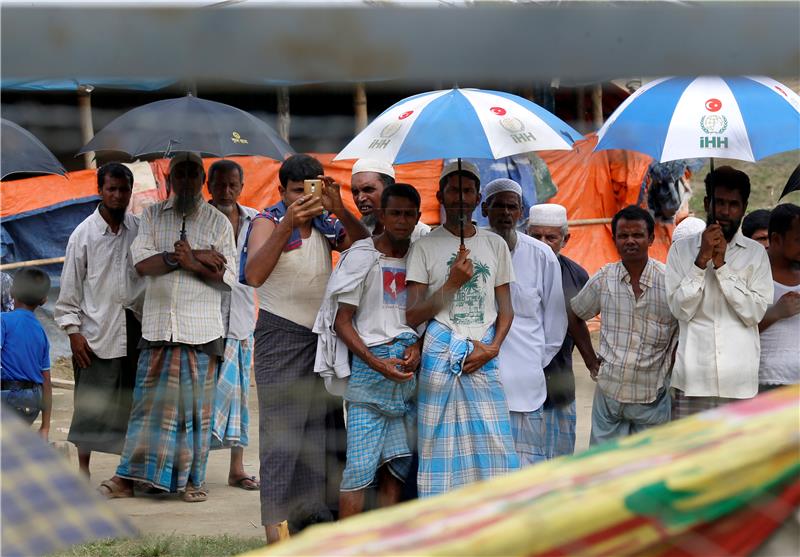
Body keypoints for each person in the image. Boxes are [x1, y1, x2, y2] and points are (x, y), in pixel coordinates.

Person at [243, 154, 369, 543]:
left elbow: (366, 247)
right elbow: (254, 275)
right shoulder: (267, 221)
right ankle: (274, 536)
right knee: (281, 440)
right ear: (282, 191)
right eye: (298, 191)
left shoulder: (326, 222)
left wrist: (340, 208)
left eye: (312, 189)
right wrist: (288, 224)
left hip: (321, 338)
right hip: (281, 337)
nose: (305, 198)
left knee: (323, 434)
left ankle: (314, 528)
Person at [99, 152, 237, 503]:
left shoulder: (218, 223)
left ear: (202, 180)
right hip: (158, 328)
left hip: (201, 331)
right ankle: (130, 477)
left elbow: (228, 278)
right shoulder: (150, 215)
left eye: (194, 174)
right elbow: (142, 263)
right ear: (169, 179)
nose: (187, 180)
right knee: (147, 409)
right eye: (180, 174)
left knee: (195, 413)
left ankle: (193, 480)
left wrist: (195, 261)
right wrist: (183, 258)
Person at [406, 160, 519, 497]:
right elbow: (412, 315)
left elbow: (506, 309)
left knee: (495, 444)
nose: (460, 197)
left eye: (467, 190)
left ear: (477, 196)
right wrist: (452, 283)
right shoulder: (424, 247)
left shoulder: (495, 245)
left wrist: (493, 347)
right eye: (453, 190)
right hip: (440, 355)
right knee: (438, 443)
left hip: (484, 354)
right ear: (440, 195)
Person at [316, 183, 423, 517]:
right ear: (381, 214)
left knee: (396, 470)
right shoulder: (361, 257)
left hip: (406, 375)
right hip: (369, 373)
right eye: (395, 213)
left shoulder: (423, 255)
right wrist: (377, 363)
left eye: (409, 214)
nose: (402, 221)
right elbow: (342, 322)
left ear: (418, 216)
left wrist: (418, 345)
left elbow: (425, 315)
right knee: (358, 473)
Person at [55, 162, 143, 476]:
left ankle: (128, 473)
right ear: (100, 191)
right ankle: (83, 470)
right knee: (91, 406)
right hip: (95, 333)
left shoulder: (139, 228)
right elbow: (69, 290)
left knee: (132, 403)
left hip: (134, 330)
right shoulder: (83, 235)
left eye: (124, 190)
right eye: (112, 189)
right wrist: (73, 332)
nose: (118, 196)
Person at [666, 167, 773, 419]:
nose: (725, 212)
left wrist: (722, 266)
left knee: (739, 458)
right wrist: (701, 261)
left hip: (739, 383)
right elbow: (680, 309)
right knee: (691, 456)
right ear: (706, 203)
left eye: (733, 204)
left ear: (744, 207)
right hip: (692, 380)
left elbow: (754, 313)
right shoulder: (681, 252)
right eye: (719, 202)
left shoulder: (755, 254)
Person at [570, 206, 678, 444]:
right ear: (615, 239)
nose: (630, 241)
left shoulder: (669, 281)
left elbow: (685, 328)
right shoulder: (604, 278)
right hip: (609, 397)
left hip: (652, 399)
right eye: (623, 235)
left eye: (637, 235)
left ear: (650, 238)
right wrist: (590, 360)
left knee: (650, 470)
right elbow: (575, 314)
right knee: (604, 469)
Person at [481, 180, 567, 465]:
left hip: (525, 388)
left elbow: (555, 326)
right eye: (498, 205)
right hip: (479, 385)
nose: (505, 213)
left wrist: (530, 362)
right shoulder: (471, 250)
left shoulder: (541, 255)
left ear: (521, 212)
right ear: (484, 209)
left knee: (526, 469)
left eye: (512, 206)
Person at [206, 159, 260, 491]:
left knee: (239, 396)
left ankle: (237, 468)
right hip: (206, 320)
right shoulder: (200, 220)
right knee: (201, 398)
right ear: (208, 186)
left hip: (242, 319)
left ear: (241, 187)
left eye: (232, 185)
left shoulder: (257, 220)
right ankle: (192, 468)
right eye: (220, 184)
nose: (226, 191)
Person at [527, 204, 596, 458]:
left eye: (551, 237)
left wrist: (591, 361)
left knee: (561, 463)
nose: (543, 243)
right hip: (522, 383)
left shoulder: (576, 274)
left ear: (565, 239)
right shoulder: (513, 268)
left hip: (561, 383)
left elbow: (578, 322)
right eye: (536, 237)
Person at [0, 268, 51, 438]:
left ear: (12, 291)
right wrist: (45, 426)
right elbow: (46, 381)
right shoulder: (41, 332)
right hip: (32, 403)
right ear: (44, 300)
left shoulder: (3, 320)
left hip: (7, 396)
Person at [758, 203, 800, 389]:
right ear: (775, 239)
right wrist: (776, 312)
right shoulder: (753, 273)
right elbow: (735, 329)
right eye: (798, 240)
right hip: (765, 382)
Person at [350, 158, 431, 242]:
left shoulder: (423, 236)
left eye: (368, 189)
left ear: (389, 188)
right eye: (355, 192)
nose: (360, 198)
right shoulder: (356, 232)